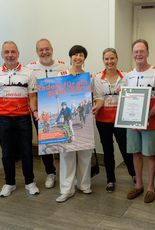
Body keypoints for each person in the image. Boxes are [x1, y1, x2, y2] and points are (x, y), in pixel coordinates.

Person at [0, 41, 39, 197]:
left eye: (13, 52)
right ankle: (9, 183)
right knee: (7, 152)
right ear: (2, 54)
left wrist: (34, 111)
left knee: (26, 151)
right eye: (7, 52)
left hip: (23, 118)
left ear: (18, 54)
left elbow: (32, 96)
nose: (10, 55)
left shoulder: (28, 73)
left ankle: (30, 182)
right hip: (3, 119)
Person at [55, 45, 103, 203]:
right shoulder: (60, 75)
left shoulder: (90, 77)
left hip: (85, 120)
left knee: (85, 153)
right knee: (66, 154)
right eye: (75, 55)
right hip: (66, 123)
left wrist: (97, 105)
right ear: (70, 57)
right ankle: (66, 189)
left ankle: (84, 184)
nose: (78, 58)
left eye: (81, 55)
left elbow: (99, 97)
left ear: (84, 58)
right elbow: (51, 94)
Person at [126, 39, 155, 203]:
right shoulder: (129, 75)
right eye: (136, 51)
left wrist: (147, 115)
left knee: (150, 154)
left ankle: (150, 186)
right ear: (133, 54)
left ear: (147, 53)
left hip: (151, 120)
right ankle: (139, 185)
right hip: (132, 121)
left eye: (142, 51)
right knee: (135, 153)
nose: (139, 54)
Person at [92, 48, 135, 192]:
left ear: (117, 59)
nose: (109, 61)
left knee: (125, 148)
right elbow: (98, 98)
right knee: (107, 150)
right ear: (103, 60)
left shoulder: (127, 76)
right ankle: (110, 179)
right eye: (106, 59)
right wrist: (96, 107)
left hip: (121, 119)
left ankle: (134, 174)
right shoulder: (97, 78)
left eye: (112, 58)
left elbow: (132, 97)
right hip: (103, 120)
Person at [27, 38, 67, 189]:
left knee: (64, 141)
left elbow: (70, 84)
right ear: (37, 52)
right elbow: (18, 75)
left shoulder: (62, 66)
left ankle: (66, 173)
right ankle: (51, 172)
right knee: (45, 143)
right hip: (40, 113)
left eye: (47, 49)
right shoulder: (30, 67)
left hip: (59, 111)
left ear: (52, 49)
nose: (45, 52)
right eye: (41, 50)